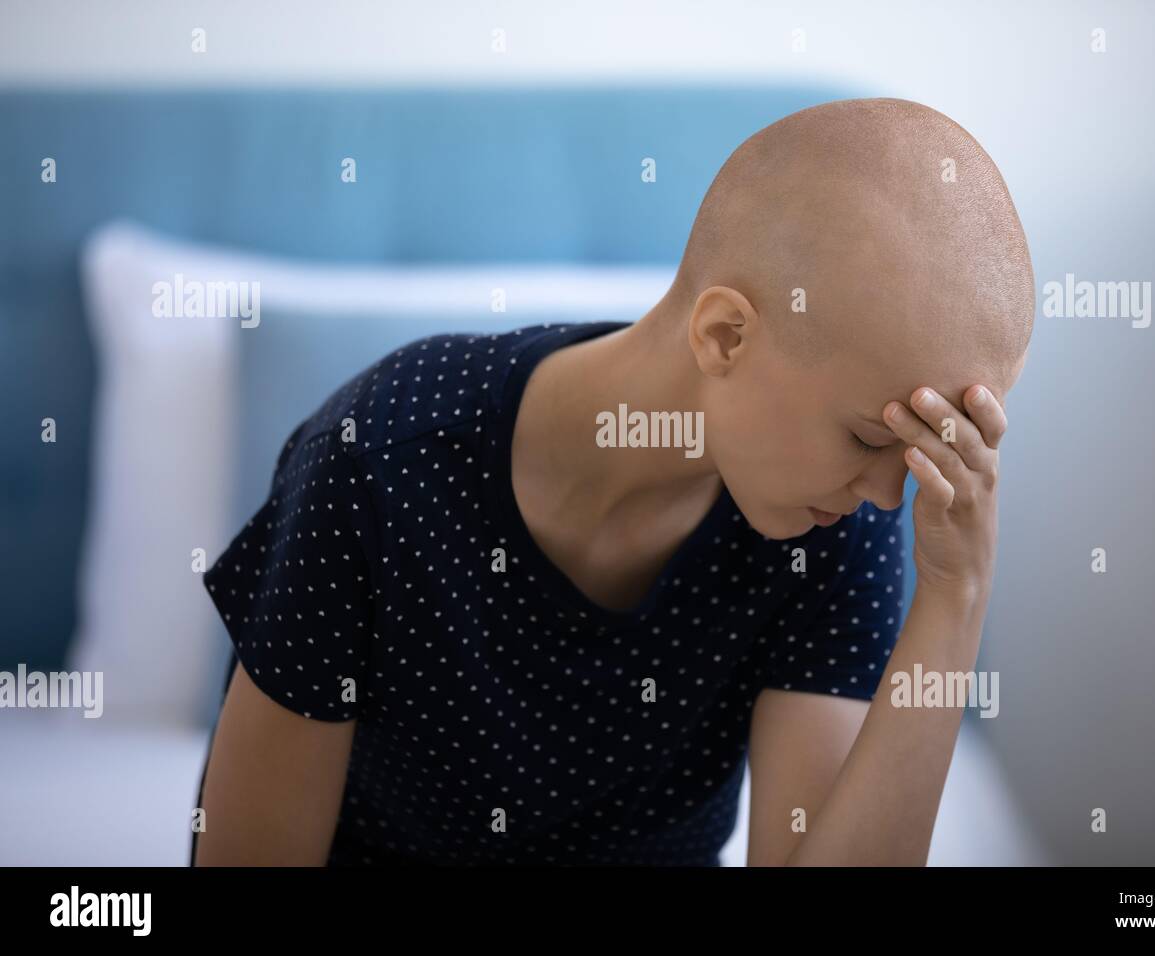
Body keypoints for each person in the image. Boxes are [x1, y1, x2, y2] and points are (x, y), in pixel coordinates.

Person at [193, 97, 1033, 866]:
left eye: (918, 453)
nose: (890, 494)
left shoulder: (832, 523)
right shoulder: (379, 462)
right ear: (726, 337)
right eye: (865, 438)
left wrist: (955, 600)